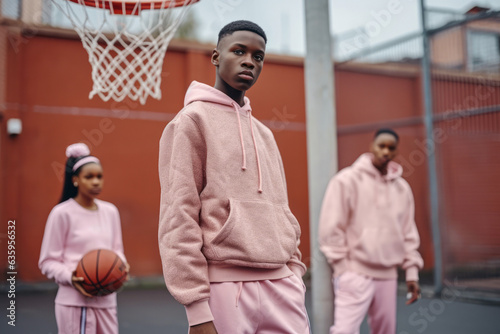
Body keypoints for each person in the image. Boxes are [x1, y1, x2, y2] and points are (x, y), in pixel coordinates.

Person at [158, 20, 310, 334]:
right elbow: (179, 215)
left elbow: (282, 208)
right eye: (239, 51)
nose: (249, 61)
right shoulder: (191, 121)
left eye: (258, 56)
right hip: (224, 289)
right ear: (216, 56)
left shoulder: (265, 135)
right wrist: (197, 308)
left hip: (282, 285)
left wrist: (294, 273)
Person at [319, 128, 424, 334]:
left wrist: (412, 273)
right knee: (344, 331)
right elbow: (331, 227)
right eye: (381, 146)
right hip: (354, 272)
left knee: (385, 331)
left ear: (396, 152)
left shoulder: (402, 188)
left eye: (391, 148)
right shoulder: (346, 180)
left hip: (388, 275)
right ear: (372, 147)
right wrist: (342, 268)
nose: (385, 151)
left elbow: (408, 233)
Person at [39, 143, 128, 334]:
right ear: (75, 180)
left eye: (99, 176)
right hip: (74, 303)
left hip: (107, 301)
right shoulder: (61, 213)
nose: (96, 182)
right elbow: (47, 261)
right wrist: (71, 277)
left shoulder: (110, 211)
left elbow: (117, 251)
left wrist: (122, 267)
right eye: (89, 177)